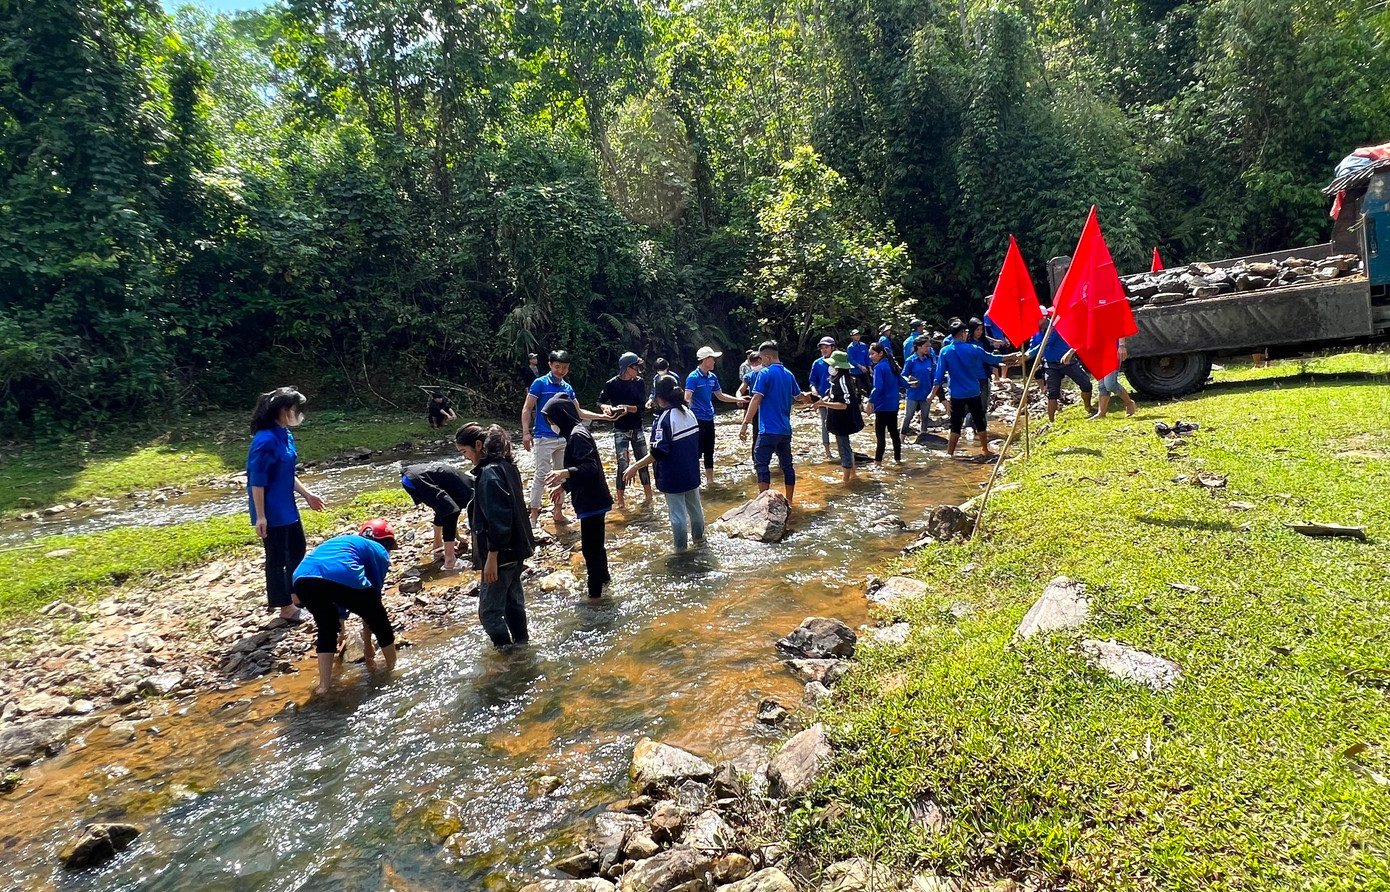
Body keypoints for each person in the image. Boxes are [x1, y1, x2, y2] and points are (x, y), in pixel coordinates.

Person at [291, 519, 398, 695]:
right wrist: (367, 647)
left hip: (302, 578)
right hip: (340, 573)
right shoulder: (379, 551)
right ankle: (393, 669)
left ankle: (324, 686)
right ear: (387, 542)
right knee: (380, 621)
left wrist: (341, 629)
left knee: (327, 627)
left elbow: (335, 588)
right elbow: (371, 602)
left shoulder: (345, 542)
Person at [247, 387, 325, 622]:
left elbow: (286, 472)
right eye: (295, 409)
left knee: (298, 548)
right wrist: (261, 516)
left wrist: (307, 494)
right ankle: (285, 608)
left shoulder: (284, 434)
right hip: (270, 510)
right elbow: (257, 481)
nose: (298, 413)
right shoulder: (264, 441)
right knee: (277, 559)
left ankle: (295, 594)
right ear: (283, 410)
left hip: (287, 506)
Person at [457, 422, 536, 650]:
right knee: (513, 604)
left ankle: (507, 654)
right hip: (516, 549)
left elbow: (498, 518)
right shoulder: (506, 466)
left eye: (465, 452)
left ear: (479, 445)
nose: (464, 458)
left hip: (500, 554)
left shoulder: (489, 474)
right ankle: (522, 646)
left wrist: (491, 556)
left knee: (489, 613)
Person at [521, 349, 609, 526]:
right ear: (550, 365)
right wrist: (525, 432)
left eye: (565, 368)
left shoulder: (567, 388)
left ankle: (558, 512)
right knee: (541, 475)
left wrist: (605, 417)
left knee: (563, 475)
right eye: (557, 367)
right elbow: (527, 407)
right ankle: (534, 515)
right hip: (543, 436)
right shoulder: (539, 383)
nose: (561, 371)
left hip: (563, 438)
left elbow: (578, 412)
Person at [542, 394, 613, 599]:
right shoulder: (575, 433)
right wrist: (565, 486)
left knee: (591, 551)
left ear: (562, 416)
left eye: (552, 420)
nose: (551, 424)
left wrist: (564, 473)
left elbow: (589, 467)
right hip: (592, 498)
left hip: (592, 500)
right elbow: (582, 469)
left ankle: (595, 597)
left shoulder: (577, 436)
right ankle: (604, 582)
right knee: (596, 548)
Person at [625, 375, 705, 551]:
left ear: (659, 397)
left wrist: (635, 466)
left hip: (672, 475)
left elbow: (658, 452)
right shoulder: (689, 413)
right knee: (695, 510)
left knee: (677, 516)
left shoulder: (664, 419)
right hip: (691, 471)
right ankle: (700, 542)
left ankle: (680, 550)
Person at [928, 321, 1018, 457]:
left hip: (957, 394)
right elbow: (992, 358)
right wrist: (1012, 356)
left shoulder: (945, 352)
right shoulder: (973, 349)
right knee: (979, 420)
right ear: (963, 334)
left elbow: (938, 377)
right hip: (973, 391)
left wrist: (932, 394)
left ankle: (950, 453)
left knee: (955, 424)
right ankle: (985, 450)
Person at [739, 340, 799, 503]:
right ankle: (790, 501)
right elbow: (799, 396)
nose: (760, 362)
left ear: (767, 357)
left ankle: (763, 502)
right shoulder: (788, 374)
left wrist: (745, 423)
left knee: (761, 462)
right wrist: (814, 400)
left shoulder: (765, 374)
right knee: (787, 465)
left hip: (768, 430)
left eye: (761, 358)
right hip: (785, 430)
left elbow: (756, 398)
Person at [685, 346, 747, 487]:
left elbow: (720, 396)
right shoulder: (693, 377)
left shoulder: (712, 377)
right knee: (696, 451)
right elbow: (687, 397)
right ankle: (694, 480)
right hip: (697, 420)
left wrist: (739, 400)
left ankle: (710, 481)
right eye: (712, 359)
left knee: (709, 450)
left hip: (709, 418)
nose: (714, 361)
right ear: (705, 360)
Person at [599, 352, 655, 509]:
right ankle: (621, 502)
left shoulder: (639, 382)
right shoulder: (611, 384)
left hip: (637, 427)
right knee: (622, 464)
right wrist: (607, 408)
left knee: (642, 461)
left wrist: (626, 408)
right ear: (627, 368)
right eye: (636, 366)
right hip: (620, 429)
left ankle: (649, 496)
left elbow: (641, 407)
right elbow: (601, 402)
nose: (638, 369)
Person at [400, 461, 474, 571]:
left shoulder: (465, 486)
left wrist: (458, 537)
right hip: (417, 479)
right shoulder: (472, 492)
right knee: (450, 511)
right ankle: (450, 560)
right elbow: (452, 512)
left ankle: (437, 547)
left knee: (445, 508)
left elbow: (450, 508)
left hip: (410, 478)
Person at [1026, 314, 1095, 422]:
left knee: (1086, 384)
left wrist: (1028, 355)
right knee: (1052, 393)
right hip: (1050, 364)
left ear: (1043, 318)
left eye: (1036, 319)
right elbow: (1032, 345)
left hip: (1067, 362)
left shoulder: (1055, 326)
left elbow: (1045, 344)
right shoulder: (1035, 330)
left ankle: (1088, 406)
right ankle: (1051, 421)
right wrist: (1024, 355)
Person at [812, 350, 864, 483]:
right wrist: (821, 401)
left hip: (843, 420)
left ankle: (846, 480)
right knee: (845, 445)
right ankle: (853, 475)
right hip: (838, 419)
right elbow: (832, 395)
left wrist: (825, 404)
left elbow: (843, 405)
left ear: (839, 368)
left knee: (843, 448)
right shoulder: (836, 379)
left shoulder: (843, 381)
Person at [867, 342, 902, 464]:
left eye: (872, 354)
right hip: (893, 405)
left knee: (880, 436)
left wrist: (870, 401)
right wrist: (911, 385)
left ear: (880, 353)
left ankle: (878, 462)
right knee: (894, 434)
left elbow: (878, 387)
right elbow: (901, 381)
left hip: (882, 406)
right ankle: (898, 459)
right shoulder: (892, 365)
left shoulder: (879, 368)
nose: (870, 356)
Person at [1092, 337, 1138, 419]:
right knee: (1102, 384)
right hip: (1098, 349)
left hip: (1113, 349)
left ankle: (1129, 403)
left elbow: (1119, 327)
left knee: (1110, 384)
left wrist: (1121, 345)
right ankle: (1101, 413)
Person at [900, 336, 937, 437]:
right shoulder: (910, 360)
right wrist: (909, 381)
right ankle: (901, 438)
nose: (928, 348)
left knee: (925, 416)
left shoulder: (929, 360)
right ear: (918, 347)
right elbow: (903, 375)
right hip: (913, 393)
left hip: (926, 393)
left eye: (929, 346)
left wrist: (934, 392)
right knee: (908, 416)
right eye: (926, 346)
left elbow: (934, 376)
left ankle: (923, 435)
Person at [808, 336, 836, 461]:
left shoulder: (838, 362)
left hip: (836, 398)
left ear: (833, 348)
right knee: (825, 423)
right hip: (822, 399)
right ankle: (828, 451)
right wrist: (813, 390)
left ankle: (843, 448)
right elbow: (813, 380)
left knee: (839, 423)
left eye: (827, 347)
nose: (824, 350)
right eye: (822, 348)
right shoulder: (817, 363)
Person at [736, 349, 763, 459]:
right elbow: (740, 390)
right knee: (756, 434)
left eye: (757, 362)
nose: (755, 365)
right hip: (755, 408)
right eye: (753, 363)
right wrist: (739, 398)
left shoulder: (768, 373)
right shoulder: (749, 376)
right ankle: (755, 460)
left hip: (768, 407)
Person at [847, 329, 872, 395]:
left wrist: (870, 368)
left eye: (858, 335)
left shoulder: (863, 345)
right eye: (855, 335)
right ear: (852, 337)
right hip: (855, 372)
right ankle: (859, 403)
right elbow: (851, 360)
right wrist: (860, 367)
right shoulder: (850, 347)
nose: (857, 336)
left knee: (868, 386)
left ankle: (871, 402)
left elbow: (867, 357)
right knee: (857, 389)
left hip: (864, 371)